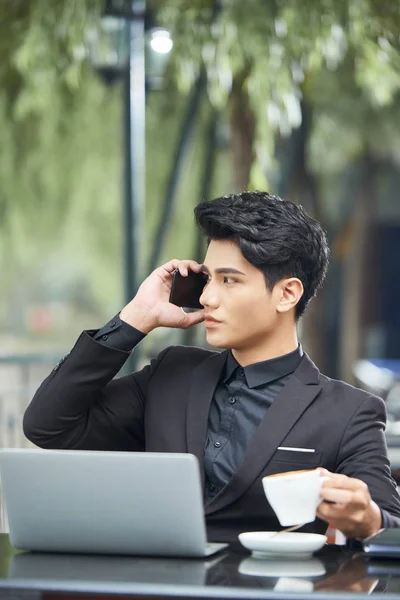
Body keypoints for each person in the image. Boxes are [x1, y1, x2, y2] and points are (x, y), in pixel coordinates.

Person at [23, 191, 400, 543]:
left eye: (228, 280)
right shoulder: (171, 374)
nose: (206, 297)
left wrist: (367, 517)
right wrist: (135, 318)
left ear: (287, 294)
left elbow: (390, 525)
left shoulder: (349, 412)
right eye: (207, 278)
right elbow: (48, 425)